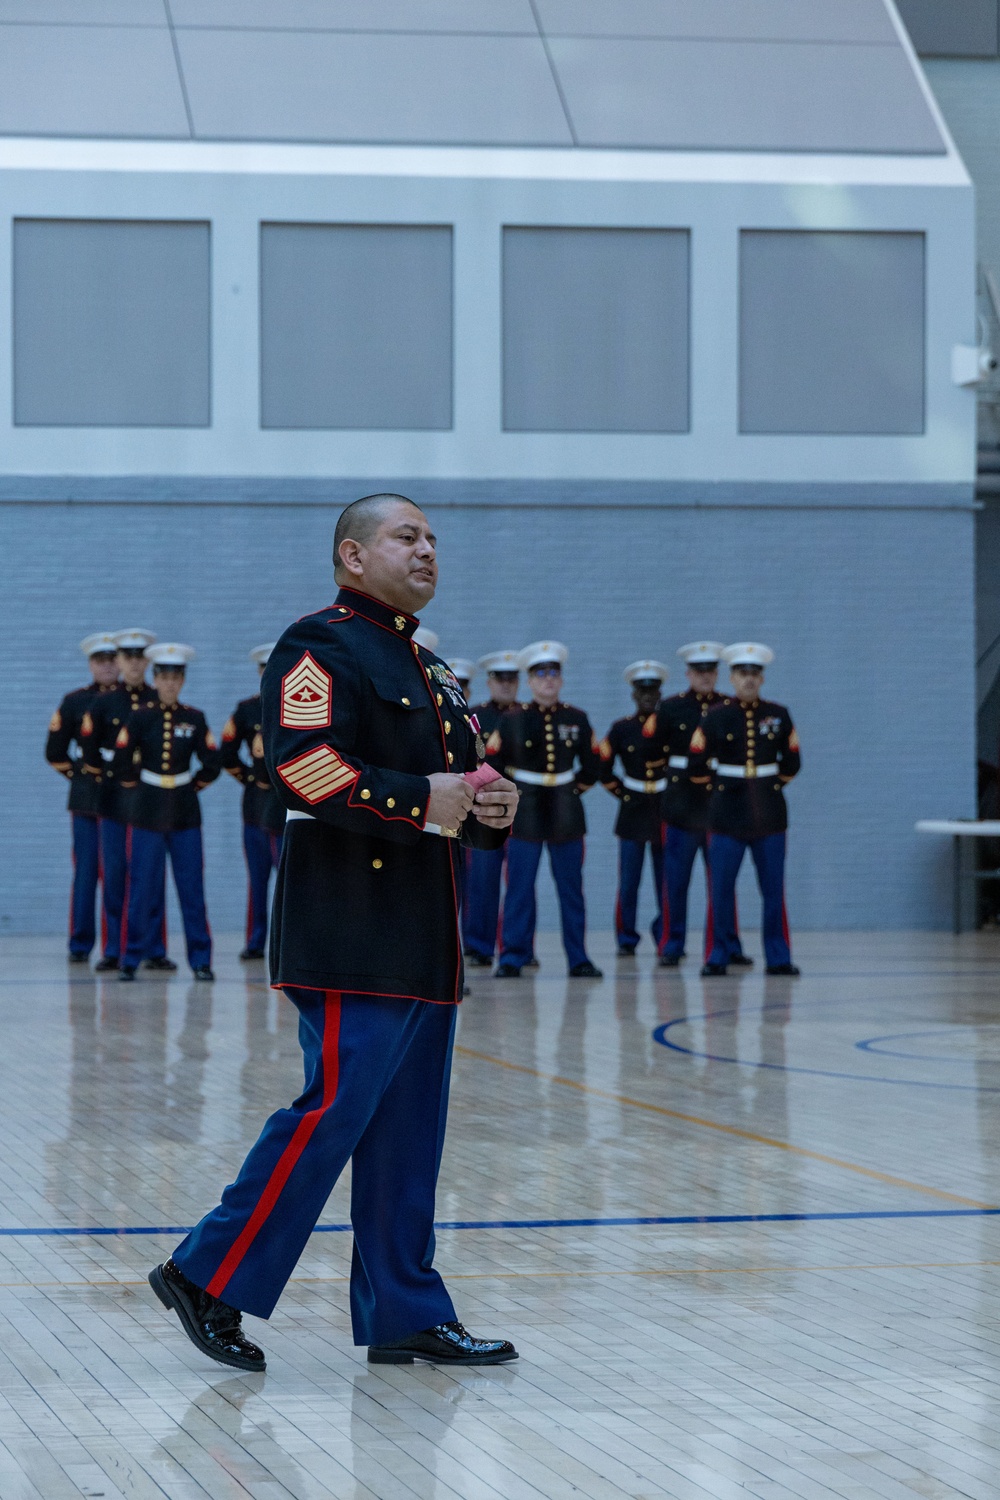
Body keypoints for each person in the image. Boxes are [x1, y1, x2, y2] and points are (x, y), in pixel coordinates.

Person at [149, 493, 520, 1373]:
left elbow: (458, 786)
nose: (427, 550)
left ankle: (404, 1310)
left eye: (432, 538)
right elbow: (303, 768)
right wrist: (421, 799)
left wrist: (491, 807)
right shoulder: (320, 644)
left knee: (408, 1129)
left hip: (425, 928)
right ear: (353, 556)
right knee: (335, 1109)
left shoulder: (432, 666)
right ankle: (206, 1272)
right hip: (352, 923)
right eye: (406, 536)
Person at [490, 641, 603, 978]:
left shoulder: (577, 718)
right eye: (541, 674)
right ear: (530, 681)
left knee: (571, 890)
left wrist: (573, 789)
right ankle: (513, 956)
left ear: (561, 680)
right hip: (525, 810)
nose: (548, 680)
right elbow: (494, 763)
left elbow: (593, 764)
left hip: (566, 811)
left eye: (554, 673)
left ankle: (578, 958)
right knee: (519, 888)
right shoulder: (512, 719)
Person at [691, 642, 801, 977]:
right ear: (732, 677)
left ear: (762, 678)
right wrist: (721, 788)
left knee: (773, 891)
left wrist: (768, 785)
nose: (749, 679)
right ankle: (717, 955)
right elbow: (696, 764)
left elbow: (792, 762)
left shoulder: (778, 715)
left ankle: (778, 957)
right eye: (742, 673)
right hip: (726, 814)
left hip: (769, 814)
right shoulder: (716, 715)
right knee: (721, 890)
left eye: (755, 673)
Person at [113, 644, 221, 982]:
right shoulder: (140, 716)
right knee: (141, 888)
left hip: (184, 813)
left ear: (182, 681)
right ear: (156, 679)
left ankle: (201, 960)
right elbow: (121, 760)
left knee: (192, 890)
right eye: (164, 677)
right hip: (147, 811)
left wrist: (190, 787)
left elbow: (212, 763)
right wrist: (140, 788)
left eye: (176, 678)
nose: (170, 684)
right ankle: (130, 958)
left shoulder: (194, 718)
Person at [656, 641, 749, 969]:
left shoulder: (730, 707)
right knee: (675, 880)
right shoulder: (671, 708)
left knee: (723, 882)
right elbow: (652, 753)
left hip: (720, 805)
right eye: (699, 670)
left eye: (710, 670)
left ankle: (728, 944)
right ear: (688, 673)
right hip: (682, 805)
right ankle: (672, 944)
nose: (705, 676)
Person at [81, 628, 168, 972]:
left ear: (148, 662)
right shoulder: (103, 703)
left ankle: (153, 948)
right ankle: (114, 948)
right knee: (114, 875)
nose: (133, 663)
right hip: (114, 799)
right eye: (127, 657)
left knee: (151, 876)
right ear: (118, 660)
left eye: (139, 657)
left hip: (151, 801)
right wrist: (110, 778)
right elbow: (89, 752)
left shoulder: (160, 699)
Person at [45, 632, 119, 963]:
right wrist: (81, 776)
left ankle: (120, 946)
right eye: (100, 661)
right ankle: (80, 943)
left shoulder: (136, 700)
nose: (107, 666)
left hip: (124, 802)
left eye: (112, 660)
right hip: (87, 801)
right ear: (90, 664)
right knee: (86, 874)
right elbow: (54, 751)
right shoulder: (75, 702)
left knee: (120, 876)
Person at [221, 644, 285, 961]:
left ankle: (286, 942)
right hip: (255, 806)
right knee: (257, 882)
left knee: (287, 881)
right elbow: (227, 753)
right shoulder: (247, 710)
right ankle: (256, 941)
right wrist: (248, 777)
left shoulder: (298, 707)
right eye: (264, 670)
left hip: (284, 807)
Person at [601, 661, 669, 956]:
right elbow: (602, 766)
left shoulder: (669, 726)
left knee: (666, 880)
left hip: (665, 807)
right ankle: (626, 937)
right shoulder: (622, 728)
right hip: (633, 809)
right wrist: (624, 793)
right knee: (629, 881)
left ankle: (665, 933)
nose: (648, 698)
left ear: (660, 694)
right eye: (642, 692)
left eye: (653, 692)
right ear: (633, 695)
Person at [463, 650, 523, 967]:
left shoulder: (529, 715)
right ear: (489, 682)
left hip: (523, 810)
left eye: (512, 679)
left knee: (521, 884)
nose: (506, 684)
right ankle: (479, 946)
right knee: (481, 881)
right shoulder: (474, 718)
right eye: (500, 679)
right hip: (484, 809)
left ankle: (519, 947)